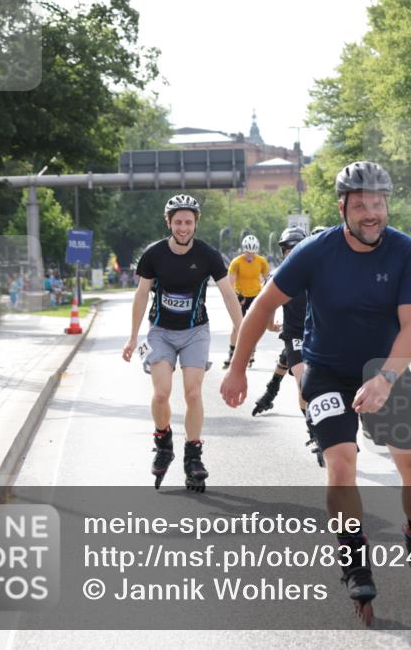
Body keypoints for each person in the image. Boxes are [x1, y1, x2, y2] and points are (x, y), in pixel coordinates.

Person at [220, 161, 411, 625]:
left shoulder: (403, 252)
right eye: (361, 205)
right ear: (343, 208)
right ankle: (355, 559)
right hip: (327, 370)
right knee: (340, 462)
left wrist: (385, 380)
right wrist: (238, 368)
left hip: (384, 368)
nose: (371, 213)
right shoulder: (315, 252)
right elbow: (261, 308)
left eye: (378, 203)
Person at [122, 194, 243, 492]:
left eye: (188, 222)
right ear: (169, 223)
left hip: (195, 332)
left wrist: (242, 331)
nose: (183, 227)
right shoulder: (154, 254)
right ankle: (163, 442)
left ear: (195, 224)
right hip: (160, 332)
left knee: (192, 393)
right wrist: (133, 336)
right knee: (162, 393)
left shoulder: (208, 255)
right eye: (178, 222)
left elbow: (228, 294)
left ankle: (193, 455)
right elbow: (141, 295)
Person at [251, 227, 309, 424]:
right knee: (305, 384)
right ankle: (316, 433)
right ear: (283, 252)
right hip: (295, 335)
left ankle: (271, 391)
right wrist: (269, 325)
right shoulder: (278, 276)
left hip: (320, 333)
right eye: (287, 249)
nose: (291, 252)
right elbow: (267, 307)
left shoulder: (319, 272)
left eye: (297, 248)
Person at [222, 235, 269, 369]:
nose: (250, 255)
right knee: (237, 327)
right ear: (244, 250)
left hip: (255, 296)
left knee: (253, 326)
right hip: (240, 296)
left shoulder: (261, 262)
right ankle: (231, 353)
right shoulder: (236, 262)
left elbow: (268, 280)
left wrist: (264, 293)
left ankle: (251, 353)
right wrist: (238, 296)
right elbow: (230, 283)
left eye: (253, 252)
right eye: (248, 252)